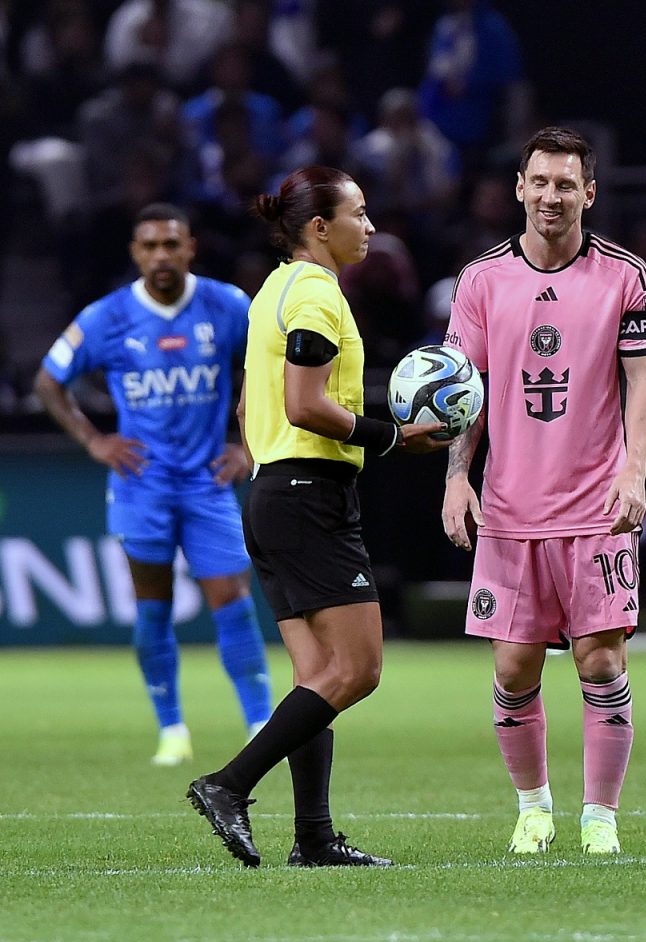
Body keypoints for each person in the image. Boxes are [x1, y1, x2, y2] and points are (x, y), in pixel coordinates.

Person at [185, 166, 447, 868]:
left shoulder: (273, 289)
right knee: (358, 670)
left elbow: (251, 403)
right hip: (309, 496)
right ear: (320, 227)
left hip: (273, 494)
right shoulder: (316, 294)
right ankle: (229, 783)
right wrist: (394, 436)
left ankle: (314, 838)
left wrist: (270, 463)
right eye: (359, 213)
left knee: (317, 679)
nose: (371, 226)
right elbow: (305, 405)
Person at [441, 127, 646, 856]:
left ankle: (600, 818)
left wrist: (634, 470)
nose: (551, 196)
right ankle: (533, 809)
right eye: (539, 182)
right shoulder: (480, 281)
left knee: (602, 661)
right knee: (513, 669)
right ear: (519, 188)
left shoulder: (626, 275)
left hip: (597, 506)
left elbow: (644, 380)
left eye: (566, 184)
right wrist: (457, 477)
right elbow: (462, 390)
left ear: (589, 194)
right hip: (511, 507)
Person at [35, 203, 272, 766]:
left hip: (207, 482)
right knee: (153, 608)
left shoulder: (228, 305)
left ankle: (261, 723)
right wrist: (94, 441)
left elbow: (269, 369)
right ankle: (172, 730)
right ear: (135, 254)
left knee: (233, 602)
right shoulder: (107, 316)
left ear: (190, 248)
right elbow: (48, 381)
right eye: (150, 246)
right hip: (142, 484)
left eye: (171, 244)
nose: (161, 256)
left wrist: (249, 446)